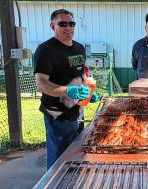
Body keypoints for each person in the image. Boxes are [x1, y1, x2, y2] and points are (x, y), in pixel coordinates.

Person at [34, 9, 100, 169]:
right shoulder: (46, 50)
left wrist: (90, 90)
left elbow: (82, 74)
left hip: (77, 112)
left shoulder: (79, 48)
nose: (68, 27)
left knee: (77, 155)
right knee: (60, 160)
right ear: (52, 26)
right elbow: (41, 83)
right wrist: (67, 91)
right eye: (62, 23)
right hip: (58, 115)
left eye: (71, 23)